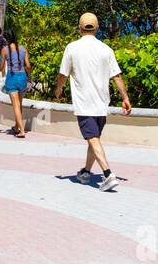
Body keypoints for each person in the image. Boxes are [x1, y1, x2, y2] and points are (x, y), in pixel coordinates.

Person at [53, 12, 132, 191]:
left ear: (79, 28)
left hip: (84, 103)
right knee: (93, 138)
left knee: (93, 138)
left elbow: (63, 74)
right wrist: (125, 97)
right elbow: (117, 76)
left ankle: (108, 174)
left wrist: (58, 89)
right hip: (101, 103)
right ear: (97, 28)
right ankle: (86, 172)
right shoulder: (106, 49)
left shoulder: (72, 48)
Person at [0, 29, 31, 138]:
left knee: (15, 105)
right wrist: (29, 78)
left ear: (6, 39)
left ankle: (21, 131)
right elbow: (28, 66)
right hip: (22, 76)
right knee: (19, 104)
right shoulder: (23, 49)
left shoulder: (4, 50)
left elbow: (2, 65)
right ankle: (17, 126)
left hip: (12, 77)